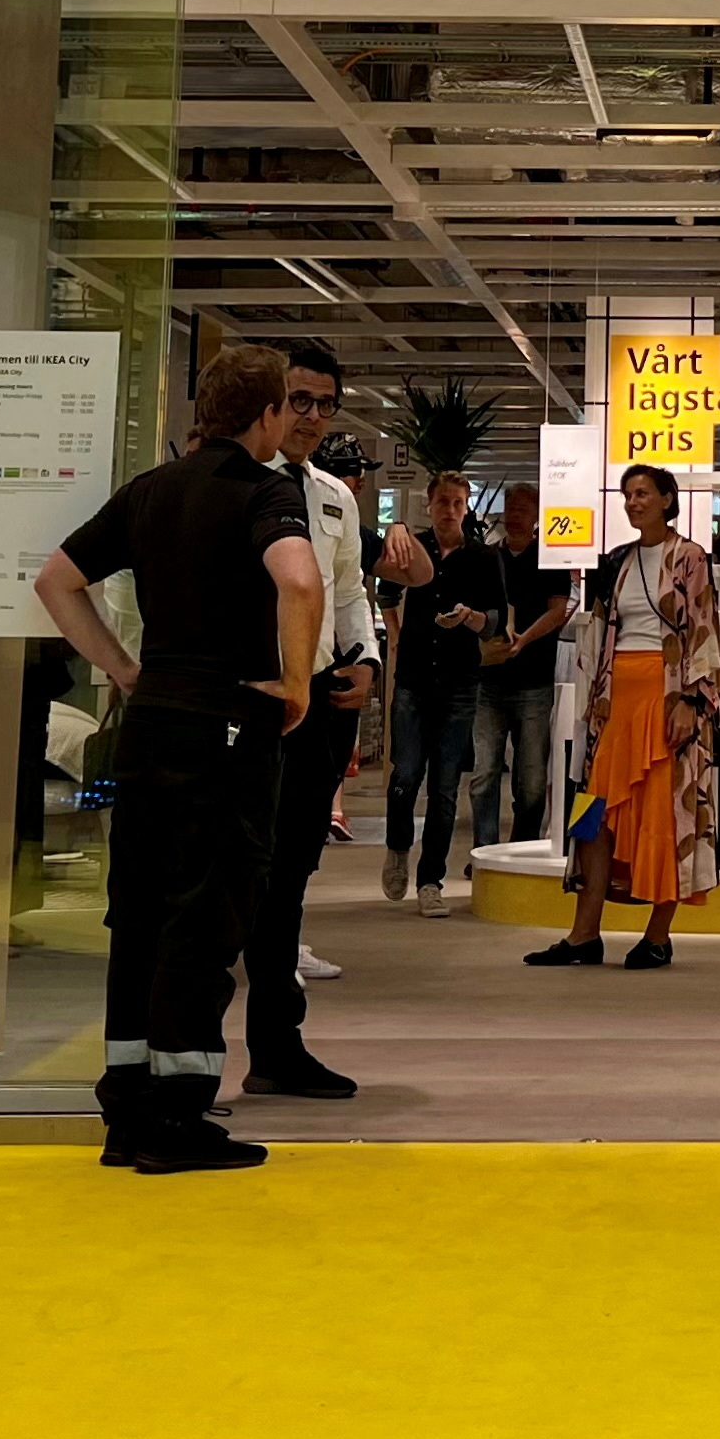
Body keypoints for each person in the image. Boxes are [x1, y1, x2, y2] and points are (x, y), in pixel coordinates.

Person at [31, 344, 319, 1175]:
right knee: (207, 911)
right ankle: (178, 1116)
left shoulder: (149, 491)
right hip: (225, 725)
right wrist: (294, 681)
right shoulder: (263, 490)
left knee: (141, 912)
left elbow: (55, 580)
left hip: (151, 719)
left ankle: (127, 1107)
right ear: (265, 415)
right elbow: (298, 581)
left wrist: (123, 667)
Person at [238, 339, 377, 1102]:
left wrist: (366, 661)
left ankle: (275, 1044)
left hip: (317, 703)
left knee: (289, 877)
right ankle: (178, 1056)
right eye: (299, 400)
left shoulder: (331, 495)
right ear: (267, 398)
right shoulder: (230, 485)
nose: (313, 417)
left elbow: (348, 590)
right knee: (234, 876)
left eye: (326, 403)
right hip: (244, 700)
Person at [523, 462, 719, 969]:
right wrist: (591, 710)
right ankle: (583, 934)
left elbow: (702, 629)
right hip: (613, 702)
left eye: (644, 493)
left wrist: (692, 702)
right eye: (629, 494)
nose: (634, 502)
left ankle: (658, 934)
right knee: (593, 814)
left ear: (667, 499)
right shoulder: (615, 562)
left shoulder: (691, 558)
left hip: (668, 696)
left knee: (666, 814)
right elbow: (596, 631)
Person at [381, 470, 495, 914]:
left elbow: (495, 623)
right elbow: (385, 593)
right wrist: (395, 635)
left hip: (460, 683)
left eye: (458, 503)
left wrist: (469, 617)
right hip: (413, 678)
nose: (450, 511)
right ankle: (396, 849)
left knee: (445, 787)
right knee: (405, 774)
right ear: (429, 504)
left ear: (466, 508)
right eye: (443, 502)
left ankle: (431, 881)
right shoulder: (413, 550)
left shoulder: (482, 559)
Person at [467, 481, 572, 848]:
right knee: (484, 773)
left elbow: (559, 610)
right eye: (510, 509)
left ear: (535, 516)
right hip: (488, 682)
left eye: (523, 511)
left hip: (534, 683)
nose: (514, 517)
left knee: (530, 778)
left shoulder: (549, 559)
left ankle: (522, 847)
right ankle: (485, 850)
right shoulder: (487, 558)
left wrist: (524, 639)